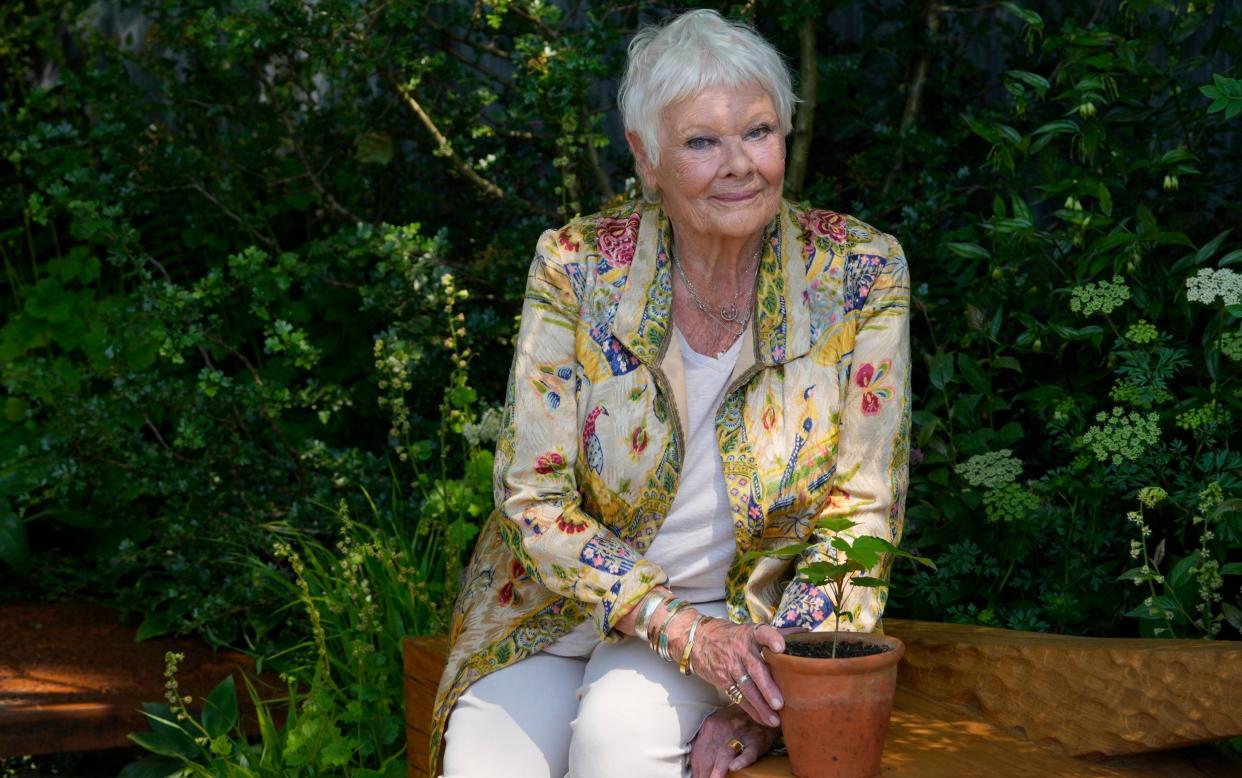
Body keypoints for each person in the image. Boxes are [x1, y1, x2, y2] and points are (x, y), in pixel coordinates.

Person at [433, 9, 911, 778]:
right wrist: (673, 626)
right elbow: (533, 494)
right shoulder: (578, 264)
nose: (739, 165)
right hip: (562, 610)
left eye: (758, 132)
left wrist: (776, 694)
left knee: (615, 746)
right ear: (645, 157)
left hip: (739, 621)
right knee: (481, 763)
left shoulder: (858, 272)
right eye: (700, 142)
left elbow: (863, 510)